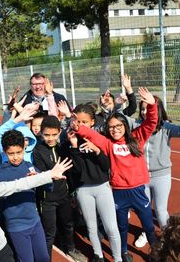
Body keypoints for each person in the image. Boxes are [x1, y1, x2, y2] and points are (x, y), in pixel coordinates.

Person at [73, 87, 158, 262]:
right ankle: (124, 253)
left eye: (118, 126)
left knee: (149, 226)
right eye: (111, 127)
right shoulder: (107, 143)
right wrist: (78, 127)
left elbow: (150, 123)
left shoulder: (137, 138)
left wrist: (152, 106)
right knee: (122, 227)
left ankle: (156, 254)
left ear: (125, 126)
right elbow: (92, 135)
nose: (115, 129)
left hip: (138, 191)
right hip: (119, 192)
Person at [67, 104, 122, 262]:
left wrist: (96, 150)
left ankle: (118, 258)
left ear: (92, 122)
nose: (81, 125)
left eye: (84, 122)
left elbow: (106, 166)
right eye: (78, 121)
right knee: (91, 227)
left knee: (111, 227)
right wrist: (74, 147)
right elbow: (75, 170)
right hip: (83, 189)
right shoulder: (70, 139)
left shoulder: (99, 139)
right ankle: (98, 255)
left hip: (102, 187)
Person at [33, 115, 87, 262]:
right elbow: (42, 176)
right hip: (47, 200)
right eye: (46, 135)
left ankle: (70, 248)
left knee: (68, 225)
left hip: (64, 197)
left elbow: (76, 168)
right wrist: (52, 173)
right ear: (41, 133)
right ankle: (46, 257)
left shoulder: (63, 147)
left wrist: (74, 147)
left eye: (54, 135)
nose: (50, 138)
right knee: (49, 232)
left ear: (59, 132)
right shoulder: (37, 151)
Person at [131, 96, 180, 248]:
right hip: (142, 176)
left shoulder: (166, 127)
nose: (145, 112)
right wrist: (126, 97)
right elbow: (120, 119)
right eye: (142, 109)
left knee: (160, 210)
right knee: (144, 208)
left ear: (157, 109)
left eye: (148, 108)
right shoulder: (136, 124)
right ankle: (147, 232)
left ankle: (167, 236)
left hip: (161, 175)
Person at [0, 130, 50, 262]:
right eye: (11, 154)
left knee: (44, 257)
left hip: (35, 222)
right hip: (16, 227)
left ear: (24, 149)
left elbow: (49, 187)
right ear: (5, 152)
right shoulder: (0, 175)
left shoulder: (30, 167)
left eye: (19, 152)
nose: (15, 157)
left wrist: (39, 179)